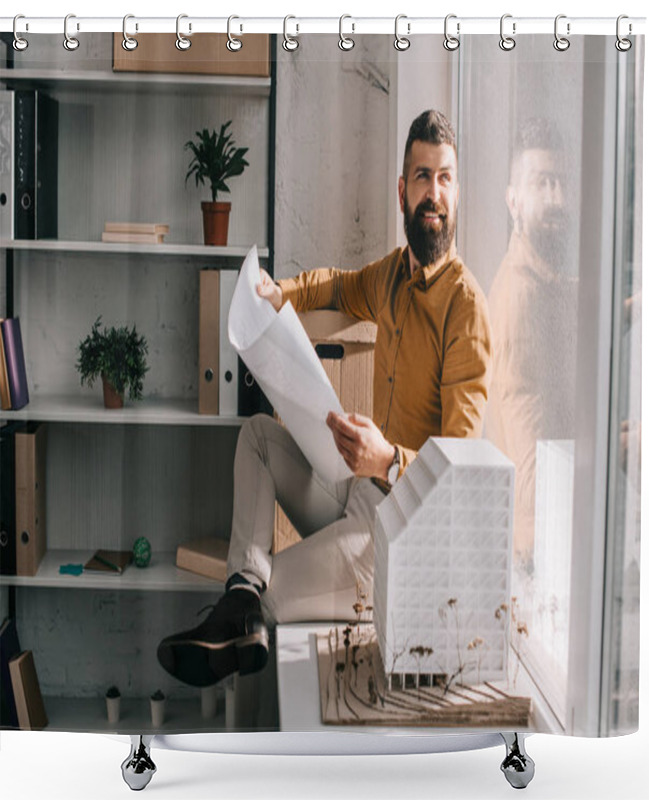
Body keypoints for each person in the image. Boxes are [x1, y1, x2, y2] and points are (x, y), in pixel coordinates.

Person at [157, 110, 492, 688]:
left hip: (398, 534)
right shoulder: (392, 275)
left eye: (444, 178)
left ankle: (242, 607)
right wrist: (276, 291)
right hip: (356, 489)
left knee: (274, 591)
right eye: (421, 177)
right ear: (401, 190)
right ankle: (239, 596)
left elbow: (457, 476)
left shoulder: (466, 309)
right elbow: (337, 284)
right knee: (258, 436)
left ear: (457, 192)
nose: (433, 193)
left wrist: (386, 458)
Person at [485, 118, 578, 569]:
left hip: (547, 537)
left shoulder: (542, 281)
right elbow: (532, 469)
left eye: (562, 184)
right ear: (514, 201)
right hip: (538, 551)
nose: (558, 199)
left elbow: (569, 298)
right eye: (543, 184)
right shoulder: (521, 298)